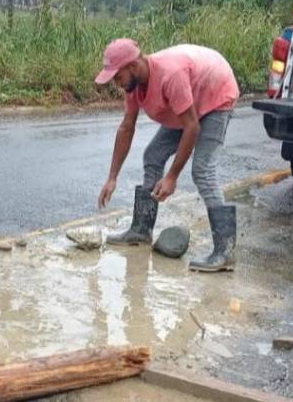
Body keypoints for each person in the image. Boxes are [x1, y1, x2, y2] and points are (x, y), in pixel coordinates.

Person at [94, 39, 239, 272]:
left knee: (202, 170)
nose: (116, 83)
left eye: (117, 77)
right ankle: (141, 229)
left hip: (215, 94)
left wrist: (171, 176)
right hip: (188, 101)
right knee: (153, 154)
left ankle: (225, 252)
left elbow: (192, 127)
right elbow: (127, 126)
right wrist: (112, 177)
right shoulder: (134, 85)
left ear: (132, 66)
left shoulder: (170, 74)